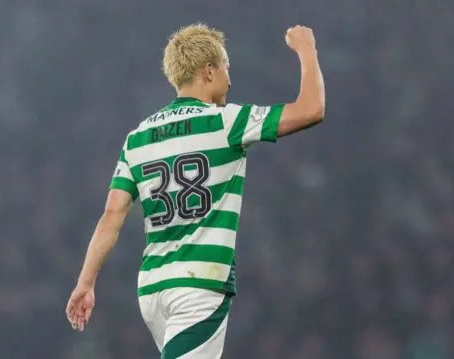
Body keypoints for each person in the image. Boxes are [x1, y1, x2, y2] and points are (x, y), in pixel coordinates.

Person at [66, 23, 325, 358]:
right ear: (208, 71)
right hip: (198, 287)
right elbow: (311, 109)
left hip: (152, 291)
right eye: (226, 68)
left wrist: (85, 282)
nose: (230, 80)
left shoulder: (138, 138)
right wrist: (307, 49)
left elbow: (111, 217)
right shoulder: (226, 122)